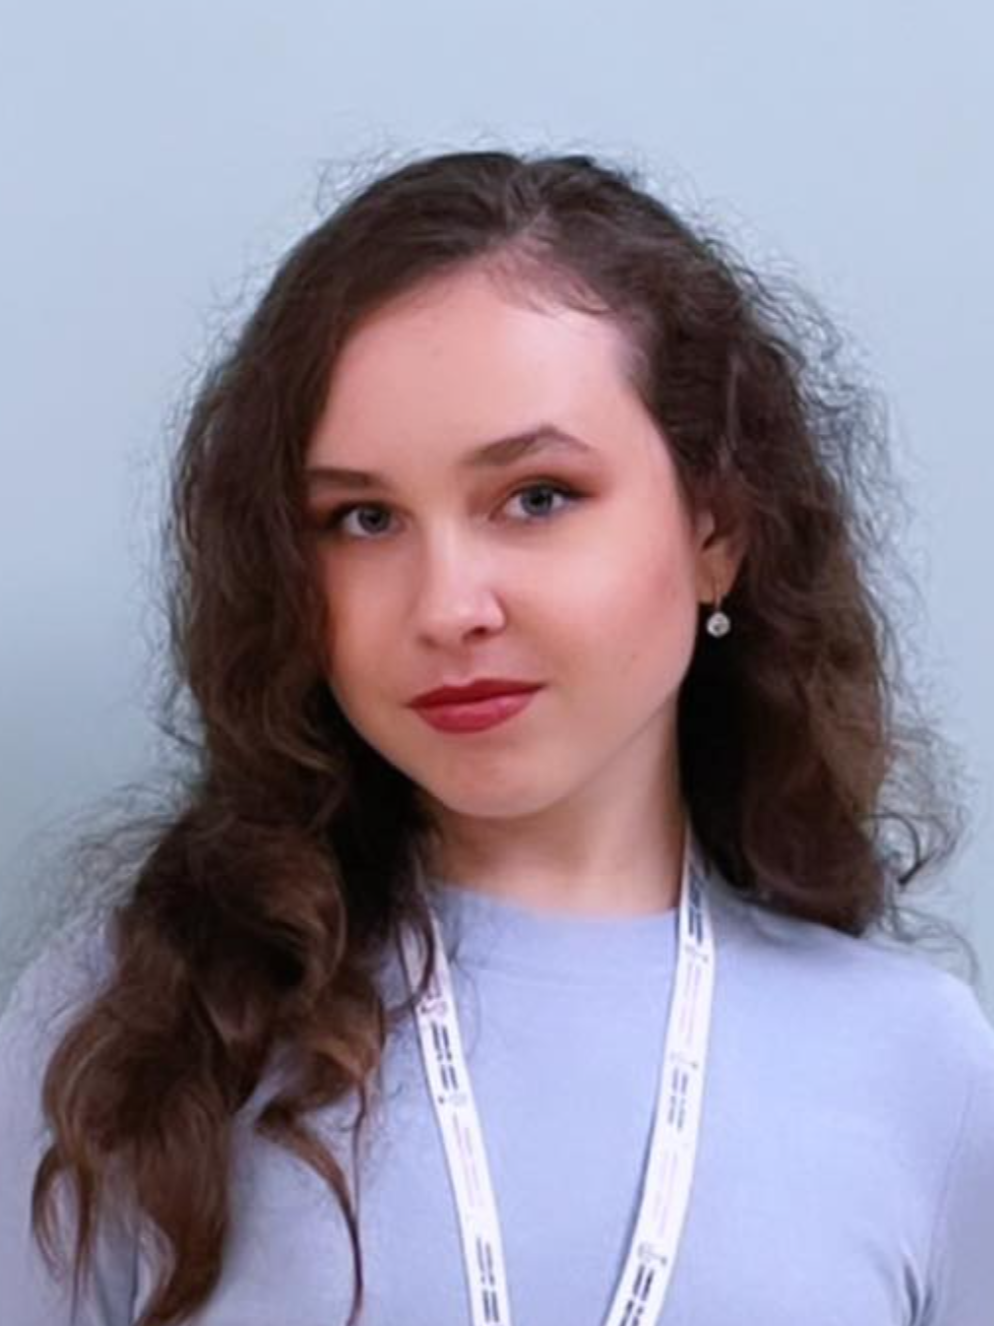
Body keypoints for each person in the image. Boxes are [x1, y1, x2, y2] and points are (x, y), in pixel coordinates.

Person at [1, 146, 992, 1326]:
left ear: (716, 529)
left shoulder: (918, 1070)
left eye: (536, 498)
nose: (446, 607)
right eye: (362, 519)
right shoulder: (138, 1030)